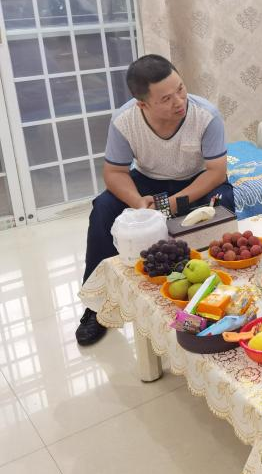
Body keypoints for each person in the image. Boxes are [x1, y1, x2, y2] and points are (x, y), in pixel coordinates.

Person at [76, 54, 234, 346]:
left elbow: (216, 172)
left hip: (195, 181)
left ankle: (220, 294)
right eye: (166, 99)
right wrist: (138, 202)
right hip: (147, 181)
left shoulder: (206, 116)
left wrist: (169, 205)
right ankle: (95, 307)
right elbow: (114, 172)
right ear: (143, 104)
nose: (179, 101)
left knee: (224, 201)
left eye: (181, 89)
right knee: (103, 208)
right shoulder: (125, 120)